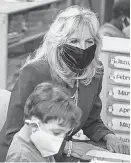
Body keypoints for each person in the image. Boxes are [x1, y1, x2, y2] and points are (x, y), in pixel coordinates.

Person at [0, 6, 130, 162]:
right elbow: (14, 135)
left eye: (89, 41)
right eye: (74, 41)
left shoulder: (94, 72)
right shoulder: (34, 73)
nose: (83, 48)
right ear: (58, 43)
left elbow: (91, 119)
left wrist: (108, 136)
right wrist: (69, 147)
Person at [6, 82, 82, 162]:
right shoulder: (21, 157)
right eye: (56, 132)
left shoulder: (39, 144)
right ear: (34, 126)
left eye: (64, 134)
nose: (60, 140)